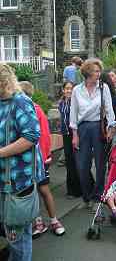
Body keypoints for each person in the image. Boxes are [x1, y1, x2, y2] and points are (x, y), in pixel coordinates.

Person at [0, 64, 45, 261]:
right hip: (3, 181)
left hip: (17, 181)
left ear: (4, 83)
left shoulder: (20, 102)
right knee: (11, 234)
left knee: (18, 238)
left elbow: (31, 136)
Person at [19, 81, 65, 238]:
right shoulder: (28, 110)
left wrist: (45, 156)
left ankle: (53, 220)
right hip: (30, 159)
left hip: (39, 158)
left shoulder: (35, 110)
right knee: (34, 191)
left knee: (43, 189)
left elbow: (44, 136)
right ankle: (39, 222)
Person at [70, 59, 116, 210]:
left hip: (98, 127)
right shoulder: (77, 90)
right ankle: (86, 197)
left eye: (99, 71)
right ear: (88, 73)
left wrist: (110, 128)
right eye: (96, 71)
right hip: (82, 128)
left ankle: (97, 197)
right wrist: (74, 134)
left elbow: (109, 109)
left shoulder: (104, 88)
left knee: (101, 165)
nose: (99, 74)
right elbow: (73, 113)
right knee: (82, 166)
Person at [58, 81, 82, 198]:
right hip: (66, 135)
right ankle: (72, 190)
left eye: (71, 89)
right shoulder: (62, 103)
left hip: (75, 134)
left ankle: (82, 188)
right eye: (67, 88)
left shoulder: (76, 103)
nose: (69, 91)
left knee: (78, 161)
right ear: (63, 90)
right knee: (69, 162)